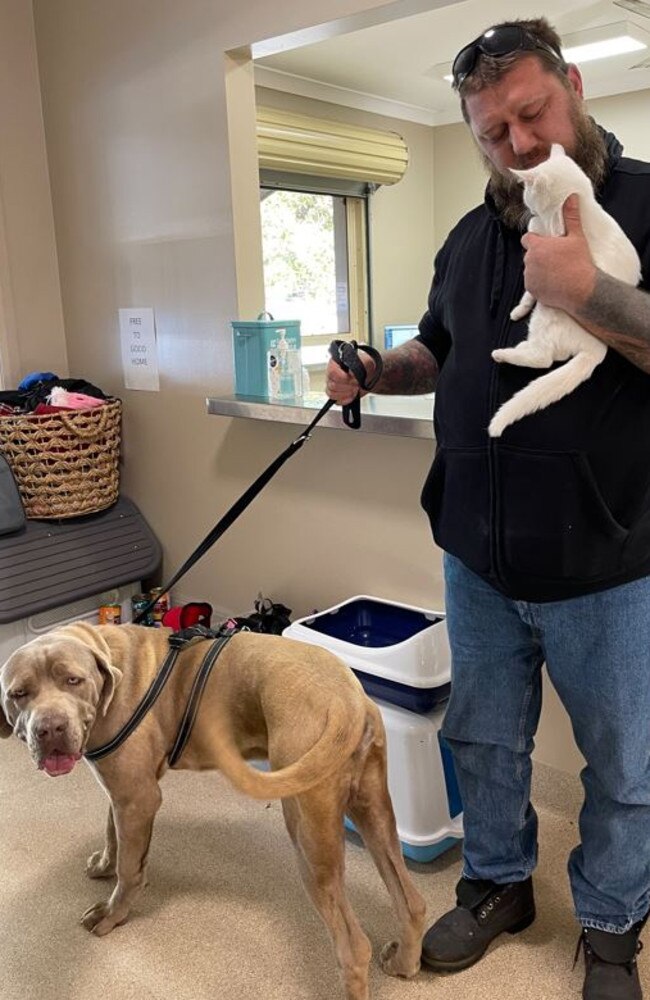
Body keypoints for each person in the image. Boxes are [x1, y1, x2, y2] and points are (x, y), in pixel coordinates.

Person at [325, 17, 650, 1000]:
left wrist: (591, 292)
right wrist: (377, 370)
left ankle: (606, 927)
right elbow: (438, 348)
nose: (516, 143)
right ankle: (499, 885)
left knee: (627, 771)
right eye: (489, 129)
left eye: (530, 112)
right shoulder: (472, 234)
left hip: (610, 560)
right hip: (474, 555)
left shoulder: (642, 203)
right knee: (481, 741)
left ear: (574, 87)